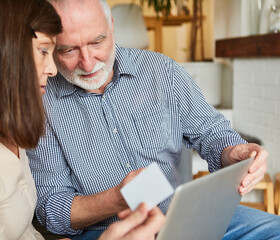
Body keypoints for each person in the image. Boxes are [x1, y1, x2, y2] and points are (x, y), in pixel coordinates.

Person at [26, 0, 280, 239]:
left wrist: (232, 151)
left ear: (111, 25)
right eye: (69, 50)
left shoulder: (162, 71)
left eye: (96, 42)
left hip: (184, 216)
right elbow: (52, 209)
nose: (88, 62)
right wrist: (116, 198)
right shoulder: (41, 101)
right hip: (111, 233)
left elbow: (212, 132)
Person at [0, 0, 165, 239]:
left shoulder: (8, 132)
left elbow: (24, 232)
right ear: (3, 52)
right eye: (44, 51)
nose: (53, 69)